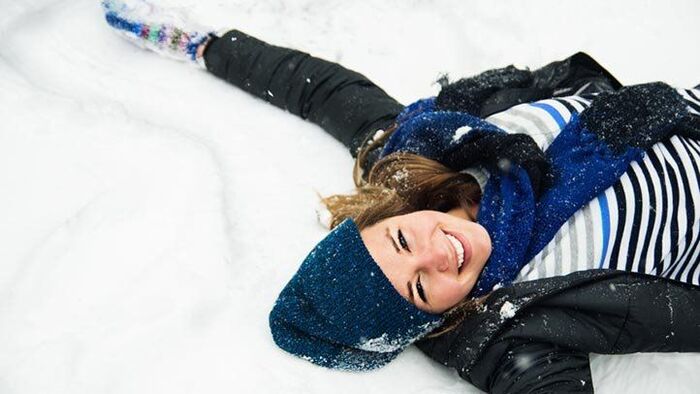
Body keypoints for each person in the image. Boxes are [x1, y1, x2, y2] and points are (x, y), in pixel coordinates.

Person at [102, 1, 700, 392]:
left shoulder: (428, 154)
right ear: (434, 318)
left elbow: (322, 92)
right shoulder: (505, 331)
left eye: (401, 239)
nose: (436, 254)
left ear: (396, 212)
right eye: (418, 285)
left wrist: (201, 46)